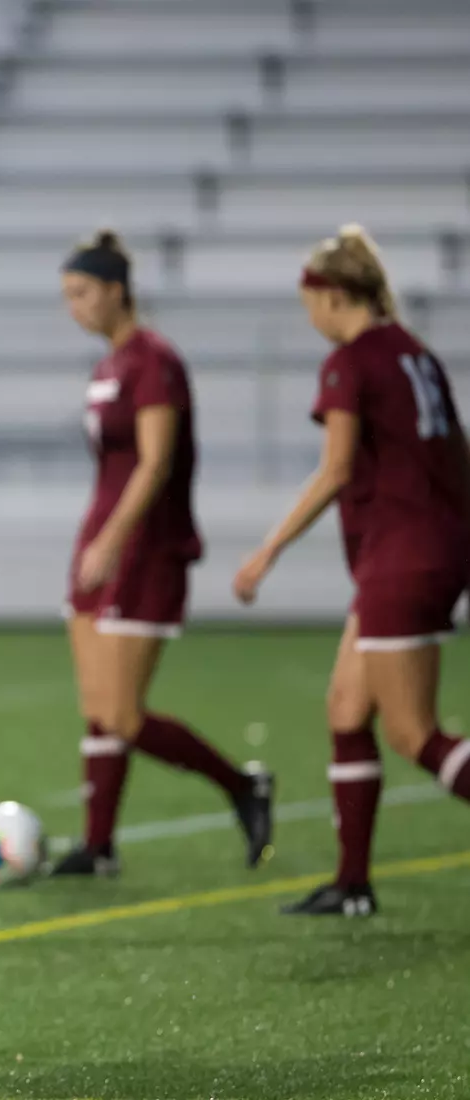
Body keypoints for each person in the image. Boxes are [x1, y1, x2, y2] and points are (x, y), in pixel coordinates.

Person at [234, 225, 470, 917]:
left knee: (413, 733)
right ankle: (353, 884)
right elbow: (458, 459)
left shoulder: (351, 361)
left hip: (400, 558)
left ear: (332, 295)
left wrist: (267, 549)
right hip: (423, 553)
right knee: (346, 708)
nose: (308, 316)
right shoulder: (415, 355)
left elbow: (337, 469)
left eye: (309, 302)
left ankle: (353, 882)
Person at [52, 230, 273, 877]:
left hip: (145, 548)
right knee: (99, 710)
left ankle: (241, 785)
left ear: (117, 290)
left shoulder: (155, 361)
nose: (75, 307)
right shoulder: (108, 366)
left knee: (122, 714)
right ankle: (99, 847)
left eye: (82, 292)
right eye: (67, 296)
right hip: (100, 543)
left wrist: (113, 540)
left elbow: (156, 462)